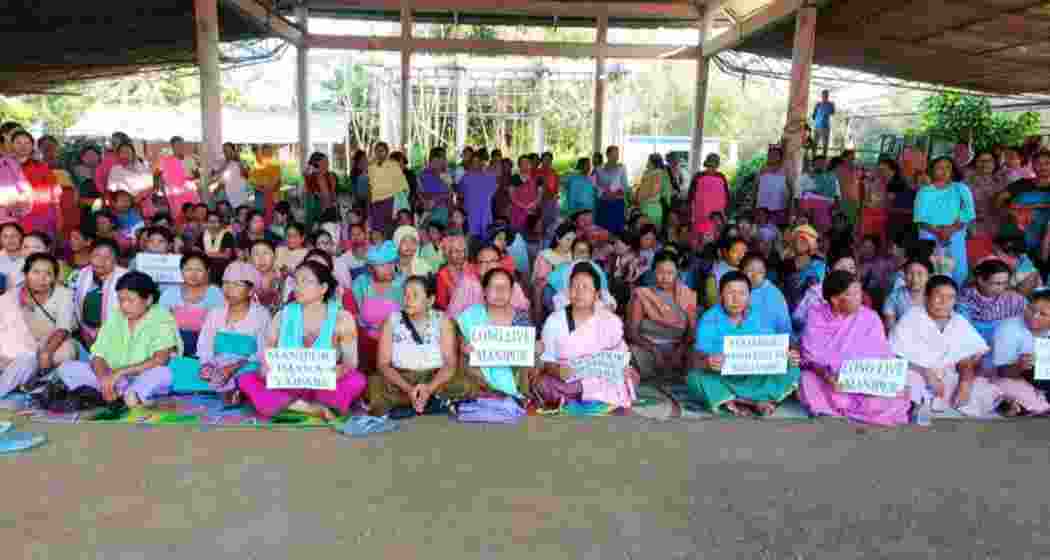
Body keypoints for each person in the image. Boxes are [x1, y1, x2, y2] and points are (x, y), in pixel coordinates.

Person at [240, 261, 367, 420]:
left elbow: (350, 363)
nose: (298, 287)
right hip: (288, 383)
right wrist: (267, 370)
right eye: (296, 282)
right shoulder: (282, 315)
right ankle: (311, 408)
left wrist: (333, 373)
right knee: (247, 379)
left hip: (324, 383)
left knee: (357, 380)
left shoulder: (342, 317)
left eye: (306, 282)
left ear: (323, 288)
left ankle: (290, 406)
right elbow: (267, 356)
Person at [798, 270, 915, 425]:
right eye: (851, 294)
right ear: (835, 299)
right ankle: (837, 408)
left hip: (864, 381)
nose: (858, 298)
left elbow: (882, 356)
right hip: (830, 380)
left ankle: (846, 409)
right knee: (806, 381)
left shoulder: (870, 317)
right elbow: (810, 358)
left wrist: (874, 379)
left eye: (859, 292)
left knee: (897, 390)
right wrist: (827, 376)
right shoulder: (816, 316)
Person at [56, 271, 181, 408]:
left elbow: (160, 359)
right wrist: (105, 379)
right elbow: (98, 355)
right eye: (121, 300)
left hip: (142, 378)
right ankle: (122, 396)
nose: (124, 306)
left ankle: (126, 395)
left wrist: (120, 372)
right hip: (114, 379)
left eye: (130, 300)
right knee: (67, 368)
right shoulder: (116, 316)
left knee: (162, 373)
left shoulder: (161, 318)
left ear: (149, 300)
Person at [687, 271, 802, 416]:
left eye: (742, 293)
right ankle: (757, 402)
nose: (736, 299)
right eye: (730, 293)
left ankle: (735, 400)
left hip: (756, 376)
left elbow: (773, 348)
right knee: (694, 379)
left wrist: (787, 356)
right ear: (721, 295)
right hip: (723, 377)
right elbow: (697, 357)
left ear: (749, 296)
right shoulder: (709, 318)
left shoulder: (760, 316)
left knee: (793, 369)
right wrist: (708, 362)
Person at [889, 275, 999, 417]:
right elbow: (896, 355)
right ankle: (916, 407)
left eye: (950, 297)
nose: (944, 302)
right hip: (918, 374)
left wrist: (965, 384)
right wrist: (927, 373)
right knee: (908, 383)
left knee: (983, 389)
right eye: (939, 296)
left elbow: (966, 360)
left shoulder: (958, 322)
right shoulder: (911, 317)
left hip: (948, 377)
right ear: (926, 297)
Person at [372, 275, 480, 415]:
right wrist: (408, 388)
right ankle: (426, 400)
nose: (408, 300)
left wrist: (429, 388)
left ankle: (419, 399)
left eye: (415, 295)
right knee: (375, 385)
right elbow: (383, 364)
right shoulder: (391, 321)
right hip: (402, 378)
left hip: (435, 377)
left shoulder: (443, 320)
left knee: (466, 384)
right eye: (406, 295)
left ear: (430, 300)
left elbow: (449, 364)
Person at [533, 263, 638, 408]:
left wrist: (624, 367)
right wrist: (557, 370)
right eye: (575, 287)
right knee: (543, 384)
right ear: (568, 291)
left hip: (600, 377)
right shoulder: (554, 320)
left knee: (630, 376)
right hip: (568, 378)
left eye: (585, 287)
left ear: (596, 294)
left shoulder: (610, 320)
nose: (579, 292)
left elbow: (620, 353)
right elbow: (546, 359)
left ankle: (575, 397)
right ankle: (588, 396)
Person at [172, 261, 272, 405]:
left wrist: (233, 367)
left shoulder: (261, 315)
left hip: (244, 367)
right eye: (226, 283)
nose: (229, 289)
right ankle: (231, 391)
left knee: (254, 374)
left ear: (250, 291)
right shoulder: (216, 312)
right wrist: (206, 365)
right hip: (216, 366)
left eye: (237, 285)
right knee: (177, 365)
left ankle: (231, 389)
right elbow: (204, 344)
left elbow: (263, 352)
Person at [0, 253, 77, 397]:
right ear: (25, 273)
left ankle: (40, 383)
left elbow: (63, 328)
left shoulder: (63, 294)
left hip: (50, 341)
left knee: (67, 352)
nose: (41, 279)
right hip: (20, 345)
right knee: (23, 357)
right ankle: (24, 381)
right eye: (35, 272)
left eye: (48, 274)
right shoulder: (11, 296)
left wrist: (47, 352)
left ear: (54, 277)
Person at [456, 268, 540, 398]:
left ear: (512, 292)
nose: (499, 292)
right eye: (494, 287)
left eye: (504, 288)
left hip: (514, 376)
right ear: (484, 291)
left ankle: (506, 392)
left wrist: (535, 349)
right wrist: (464, 348)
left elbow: (526, 355)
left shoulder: (521, 318)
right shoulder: (471, 315)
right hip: (478, 375)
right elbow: (461, 353)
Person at [626, 251, 698, 382]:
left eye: (670, 273)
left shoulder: (687, 295)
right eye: (660, 272)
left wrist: (680, 350)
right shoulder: (643, 295)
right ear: (653, 272)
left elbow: (692, 331)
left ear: (677, 273)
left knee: (696, 354)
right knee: (629, 355)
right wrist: (653, 350)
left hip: (678, 349)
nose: (664, 277)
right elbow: (632, 333)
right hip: (646, 348)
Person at [914, 157, 975, 286]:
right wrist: (938, 232)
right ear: (932, 171)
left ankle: (953, 299)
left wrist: (950, 230)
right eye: (940, 168)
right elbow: (920, 219)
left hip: (955, 233)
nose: (944, 171)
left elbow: (968, 213)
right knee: (931, 271)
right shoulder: (924, 191)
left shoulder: (961, 188)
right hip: (929, 234)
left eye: (948, 167)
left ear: (953, 171)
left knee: (959, 271)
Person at [345, 241, 404, 373]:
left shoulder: (403, 284)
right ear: (371, 268)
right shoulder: (361, 283)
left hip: (397, 345)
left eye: (391, 263)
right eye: (382, 265)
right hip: (365, 343)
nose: (389, 268)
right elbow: (351, 314)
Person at [990, 289, 1050, 416]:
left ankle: (1028, 406)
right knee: (1001, 386)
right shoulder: (1008, 328)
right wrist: (1019, 366)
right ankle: (1031, 405)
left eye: (1043, 314)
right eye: (1031, 310)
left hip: (1041, 381)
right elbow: (1002, 372)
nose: (1034, 316)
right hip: (1011, 378)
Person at [956, 259, 1026, 365]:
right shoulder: (965, 300)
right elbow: (964, 332)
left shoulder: (1014, 299)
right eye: (997, 283)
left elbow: (1028, 324)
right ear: (981, 280)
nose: (1002, 288)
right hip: (978, 350)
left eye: (1005, 283)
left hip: (1008, 349)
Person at [158, 252, 224, 358]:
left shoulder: (215, 293)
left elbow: (220, 326)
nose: (193, 274)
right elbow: (161, 324)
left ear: (207, 272)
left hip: (207, 345)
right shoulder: (169, 293)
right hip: (174, 346)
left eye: (199, 270)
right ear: (181, 271)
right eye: (188, 269)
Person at [70, 238, 128, 348]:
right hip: (85, 332)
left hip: (118, 335)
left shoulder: (126, 277)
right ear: (90, 256)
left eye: (107, 257)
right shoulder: (81, 274)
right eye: (97, 256)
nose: (101, 261)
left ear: (116, 260)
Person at [996, 150, 1050, 263]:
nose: (1043, 167)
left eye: (1047, 163)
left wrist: (1030, 206)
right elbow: (999, 200)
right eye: (1039, 163)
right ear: (1033, 165)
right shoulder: (1023, 183)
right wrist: (1010, 211)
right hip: (1018, 238)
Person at [448, 244, 530, 318]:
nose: (488, 265)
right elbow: (452, 315)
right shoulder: (466, 285)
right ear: (476, 266)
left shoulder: (513, 286)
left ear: (500, 263)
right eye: (483, 262)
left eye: (493, 261)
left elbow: (524, 313)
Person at [10, 130, 58, 237]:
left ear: (32, 146)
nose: (23, 146)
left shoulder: (42, 167)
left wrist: (58, 221)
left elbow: (54, 196)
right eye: (18, 143)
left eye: (27, 143)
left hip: (40, 220)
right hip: (11, 221)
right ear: (11, 145)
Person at [531, 223, 576, 320]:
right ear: (558, 239)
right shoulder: (546, 256)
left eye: (573, 240)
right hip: (552, 295)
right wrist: (537, 313)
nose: (571, 243)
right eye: (568, 239)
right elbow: (539, 286)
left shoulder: (573, 256)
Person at [741, 253, 791, 337]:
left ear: (765, 274)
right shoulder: (735, 288)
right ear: (741, 271)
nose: (754, 276)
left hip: (768, 343)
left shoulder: (774, 294)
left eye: (760, 272)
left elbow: (784, 325)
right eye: (750, 270)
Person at [155, 136, 200, 223]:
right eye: (177, 145)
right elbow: (157, 176)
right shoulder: (165, 161)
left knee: (195, 216)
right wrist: (161, 192)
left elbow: (197, 176)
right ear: (172, 147)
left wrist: (192, 178)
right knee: (179, 218)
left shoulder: (190, 160)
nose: (180, 147)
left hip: (190, 193)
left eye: (181, 145)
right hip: (175, 196)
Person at [782, 224, 827, 311]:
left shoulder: (819, 265)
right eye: (797, 239)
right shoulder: (785, 265)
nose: (799, 242)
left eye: (803, 240)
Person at [368, 142, 409, 236]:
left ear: (387, 152)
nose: (379, 153)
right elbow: (371, 186)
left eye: (381, 151)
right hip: (376, 202)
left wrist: (401, 200)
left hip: (390, 200)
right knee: (377, 229)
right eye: (377, 151)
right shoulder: (371, 167)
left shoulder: (393, 165)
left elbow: (403, 184)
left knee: (390, 229)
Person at [881, 258, 932, 334]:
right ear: (904, 276)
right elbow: (891, 328)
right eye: (910, 273)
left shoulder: (935, 296)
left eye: (920, 274)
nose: (915, 279)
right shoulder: (894, 297)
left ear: (928, 276)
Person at [107, 142, 155, 218]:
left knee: (144, 228)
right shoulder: (115, 169)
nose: (125, 154)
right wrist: (120, 202)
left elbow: (150, 185)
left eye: (128, 152)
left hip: (143, 205)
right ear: (118, 155)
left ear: (133, 154)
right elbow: (111, 190)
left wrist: (140, 197)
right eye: (122, 152)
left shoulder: (143, 167)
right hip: (123, 208)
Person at [689, 153, 730, 239]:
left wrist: (725, 214)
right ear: (706, 165)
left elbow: (726, 197)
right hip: (701, 215)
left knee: (716, 236)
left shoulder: (721, 177)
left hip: (717, 216)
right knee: (701, 236)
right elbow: (691, 196)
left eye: (714, 166)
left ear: (717, 166)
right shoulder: (698, 176)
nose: (711, 168)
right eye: (710, 166)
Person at [459, 153, 499, 239]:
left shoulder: (489, 176)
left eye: (477, 161)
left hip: (485, 212)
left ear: (482, 163)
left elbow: (495, 189)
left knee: (485, 238)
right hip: (471, 213)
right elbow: (460, 193)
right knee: (472, 239)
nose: (475, 164)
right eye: (473, 162)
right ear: (470, 164)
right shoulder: (466, 177)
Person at [594, 146, 630, 235]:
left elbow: (625, 186)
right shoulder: (599, 169)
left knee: (617, 231)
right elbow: (596, 186)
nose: (616, 157)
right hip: (604, 203)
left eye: (617, 154)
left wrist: (617, 193)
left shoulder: (622, 168)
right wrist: (603, 193)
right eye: (614, 154)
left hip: (617, 203)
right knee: (603, 230)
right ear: (608, 155)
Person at [704, 236, 749, 309]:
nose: (740, 256)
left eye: (744, 252)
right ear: (725, 252)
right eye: (735, 251)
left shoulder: (748, 270)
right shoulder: (714, 275)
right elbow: (712, 302)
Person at [418, 147, 453, 226]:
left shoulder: (446, 174)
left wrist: (451, 212)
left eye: (444, 158)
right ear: (435, 159)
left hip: (444, 211)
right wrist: (425, 202)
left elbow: (450, 194)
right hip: (430, 213)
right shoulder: (424, 174)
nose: (445, 160)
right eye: (443, 158)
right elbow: (420, 193)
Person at [433, 232, 467, 311]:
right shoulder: (442, 275)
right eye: (456, 251)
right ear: (448, 254)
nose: (460, 255)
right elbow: (442, 304)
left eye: (463, 251)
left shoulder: (470, 269)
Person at [756, 146, 789, 226]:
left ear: (780, 157)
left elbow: (790, 189)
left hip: (779, 207)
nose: (773, 156)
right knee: (762, 228)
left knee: (776, 229)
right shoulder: (762, 169)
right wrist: (753, 204)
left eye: (775, 155)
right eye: (770, 154)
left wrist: (790, 208)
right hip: (763, 207)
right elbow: (756, 187)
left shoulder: (785, 170)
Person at [249, 144, 282, 225]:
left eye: (269, 152)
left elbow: (278, 181)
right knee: (260, 216)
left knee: (273, 217)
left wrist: (271, 188)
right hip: (260, 195)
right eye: (265, 152)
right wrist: (263, 188)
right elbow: (253, 182)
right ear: (262, 153)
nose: (268, 154)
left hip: (273, 195)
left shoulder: (276, 165)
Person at [634, 153, 667, 228]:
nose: (647, 162)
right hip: (644, 206)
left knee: (650, 232)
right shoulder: (647, 173)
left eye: (648, 160)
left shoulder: (658, 174)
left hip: (652, 207)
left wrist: (640, 197)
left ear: (653, 162)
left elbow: (654, 192)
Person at [509, 155, 541, 232]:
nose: (525, 165)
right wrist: (523, 206)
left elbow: (540, 194)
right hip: (517, 212)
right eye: (523, 163)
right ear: (519, 165)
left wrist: (533, 204)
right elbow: (511, 196)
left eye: (527, 162)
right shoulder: (514, 178)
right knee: (518, 233)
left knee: (532, 234)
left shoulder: (537, 178)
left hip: (533, 210)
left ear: (530, 164)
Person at [218, 142, 250, 209]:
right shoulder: (222, 163)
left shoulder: (241, 161)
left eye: (229, 151)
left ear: (234, 151)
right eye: (225, 151)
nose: (227, 153)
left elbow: (247, 175)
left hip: (241, 196)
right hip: (227, 197)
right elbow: (220, 180)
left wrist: (239, 161)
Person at [811, 90, 835, 156]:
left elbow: (832, 112)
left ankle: (824, 158)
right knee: (815, 143)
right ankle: (813, 157)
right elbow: (813, 115)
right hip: (817, 126)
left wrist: (826, 111)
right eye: (823, 95)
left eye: (826, 95)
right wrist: (815, 117)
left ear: (828, 96)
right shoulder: (818, 104)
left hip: (825, 126)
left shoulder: (830, 104)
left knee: (825, 144)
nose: (825, 96)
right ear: (821, 95)